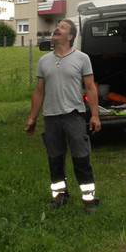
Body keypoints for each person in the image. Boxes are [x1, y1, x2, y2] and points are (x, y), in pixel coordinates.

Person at [25, 19, 101, 213]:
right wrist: (32, 118)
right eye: (57, 26)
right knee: (55, 159)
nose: (57, 28)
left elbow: (91, 88)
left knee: (81, 158)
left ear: (70, 36)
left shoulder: (82, 58)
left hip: (74, 116)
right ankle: (60, 196)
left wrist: (95, 116)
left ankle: (89, 200)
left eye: (63, 27)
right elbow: (39, 92)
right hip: (51, 117)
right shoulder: (44, 61)